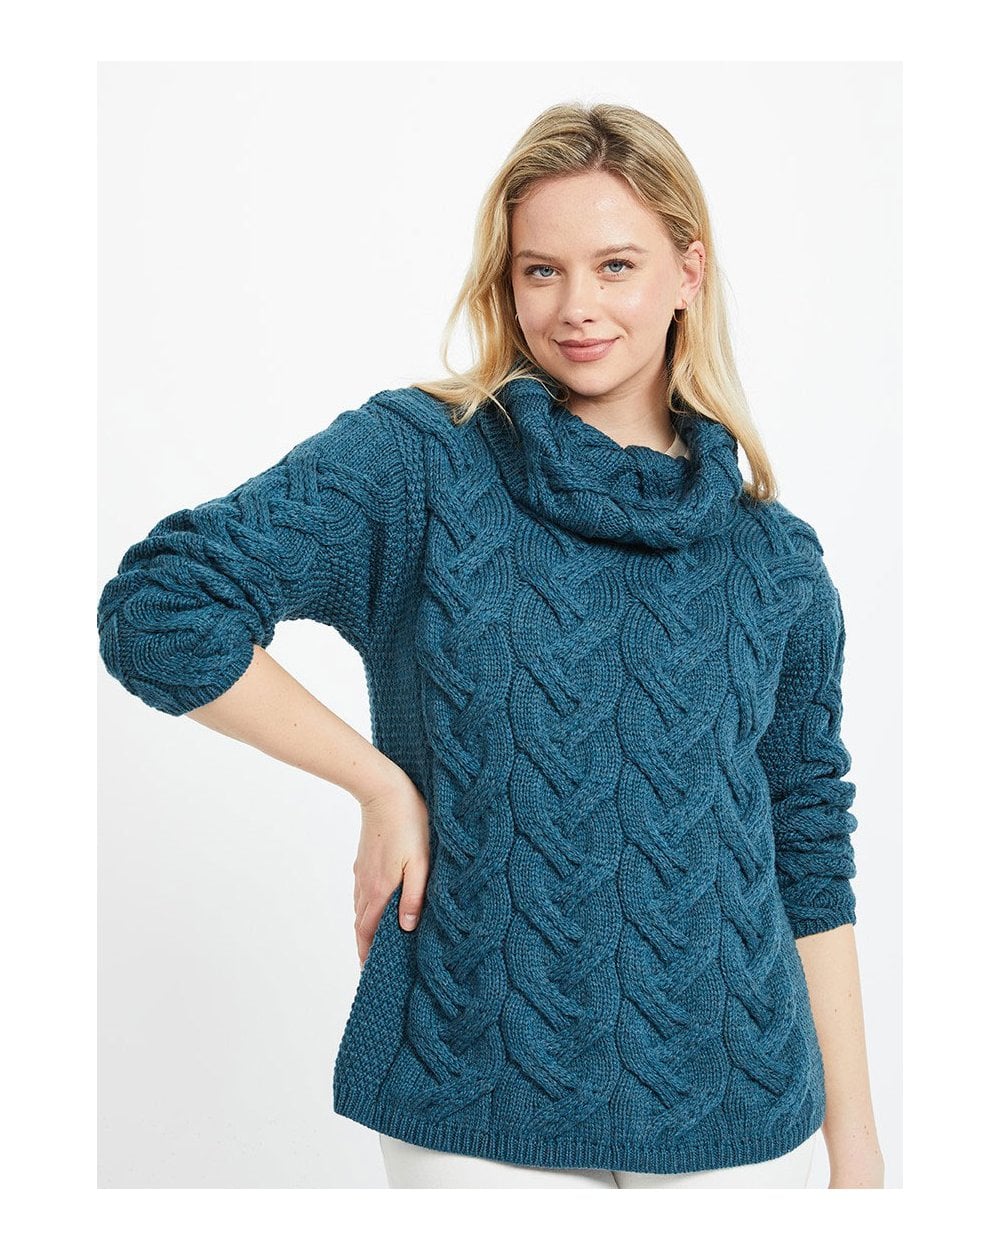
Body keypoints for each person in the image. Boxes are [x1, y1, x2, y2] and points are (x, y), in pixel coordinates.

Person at [96, 101, 884, 1189]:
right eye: (539, 271)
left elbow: (806, 842)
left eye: (615, 266)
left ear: (687, 272)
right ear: (504, 284)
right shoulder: (422, 464)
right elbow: (161, 607)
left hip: (744, 1114)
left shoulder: (774, 558)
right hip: (475, 1099)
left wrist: (857, 1147)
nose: (576, 306)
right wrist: (379, 783)